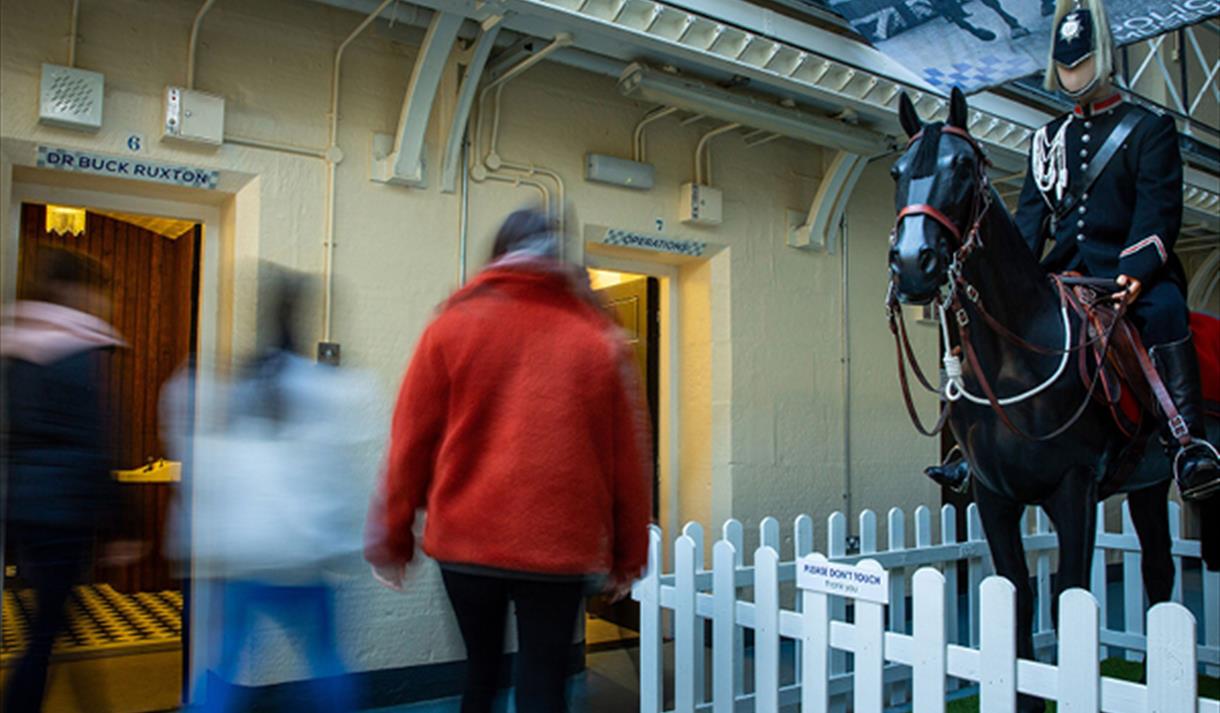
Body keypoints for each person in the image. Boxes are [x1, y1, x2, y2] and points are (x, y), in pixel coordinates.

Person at [365, 207, 654, 713]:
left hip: (467, 543)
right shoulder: (596, 338)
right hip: (559, 546)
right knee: (544, 684)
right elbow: (627, 458)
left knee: (481, 673)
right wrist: (629, 554)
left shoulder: (453, 325)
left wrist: (392, 536)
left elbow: (411, 439)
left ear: (498, 255)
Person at [1010, 0, 1220, 501]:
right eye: (1065, 64)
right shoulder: (1046, 140)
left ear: (1102, 58)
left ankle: (1187, 443)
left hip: (1126, 274)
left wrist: (1138, 268)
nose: (1073, 72)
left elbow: (1157, 210)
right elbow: (1029, 223)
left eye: (1081, 62)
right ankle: (984, 444)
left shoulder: (1148, 129)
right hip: (1064, 275)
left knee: (1167, 311)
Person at [162, 264, 373, 712]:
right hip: (301, 554)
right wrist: (349, 542)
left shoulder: (234, 385)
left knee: (223, 658)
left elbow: (201, 452)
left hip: (240, 554)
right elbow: (339, 468)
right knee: (325, 657)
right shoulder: (321, 388)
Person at [1, 248, 128, 713]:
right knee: (45, 635)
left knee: (54, 623)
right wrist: (122, 523)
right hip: (63, 511)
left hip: (23, 506)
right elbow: (96, 440)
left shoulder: (19, 345)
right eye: (103, 294)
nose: (106, 305)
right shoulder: (77, 350)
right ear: (79, 291)